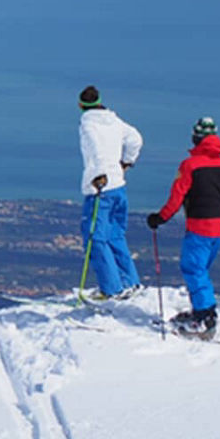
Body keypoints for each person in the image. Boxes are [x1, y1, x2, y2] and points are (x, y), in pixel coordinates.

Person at [147, 116, 220, 338]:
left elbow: (177, 197)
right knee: (201, 270)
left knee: (193, 269)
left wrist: (159, 218)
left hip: (199, 226)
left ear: (197, 138)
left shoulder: (190, 165)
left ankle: (205, 317)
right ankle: (201, 311)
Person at [78, 85, 143, 299]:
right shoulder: (115, 121)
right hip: (118, 186)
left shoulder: (88, 124)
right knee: (115, 235)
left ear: (81, 105)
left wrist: (99, 174)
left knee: (95, 238)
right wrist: (127, 162)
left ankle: (111, 289)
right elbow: (135, 139)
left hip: (100, 189)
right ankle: (130, 281)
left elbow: (96, 150)